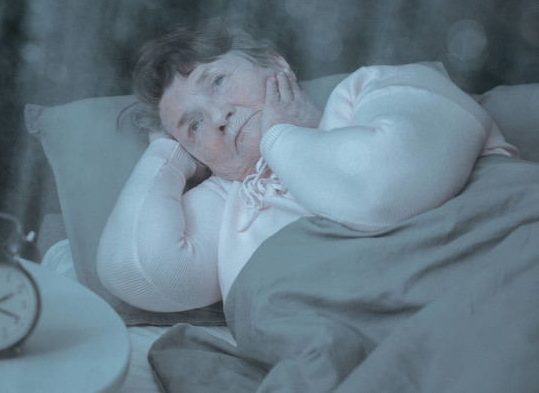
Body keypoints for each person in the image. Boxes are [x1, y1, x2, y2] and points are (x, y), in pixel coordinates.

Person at [97, 19, 518, 312]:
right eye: (193, 126)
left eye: (218, 81)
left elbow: (381, 188)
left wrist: (280, 137)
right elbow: (136, 269)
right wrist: (166, 154)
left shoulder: (371, 90)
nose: (218, 117)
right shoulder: (231, 205)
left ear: (276, 64)